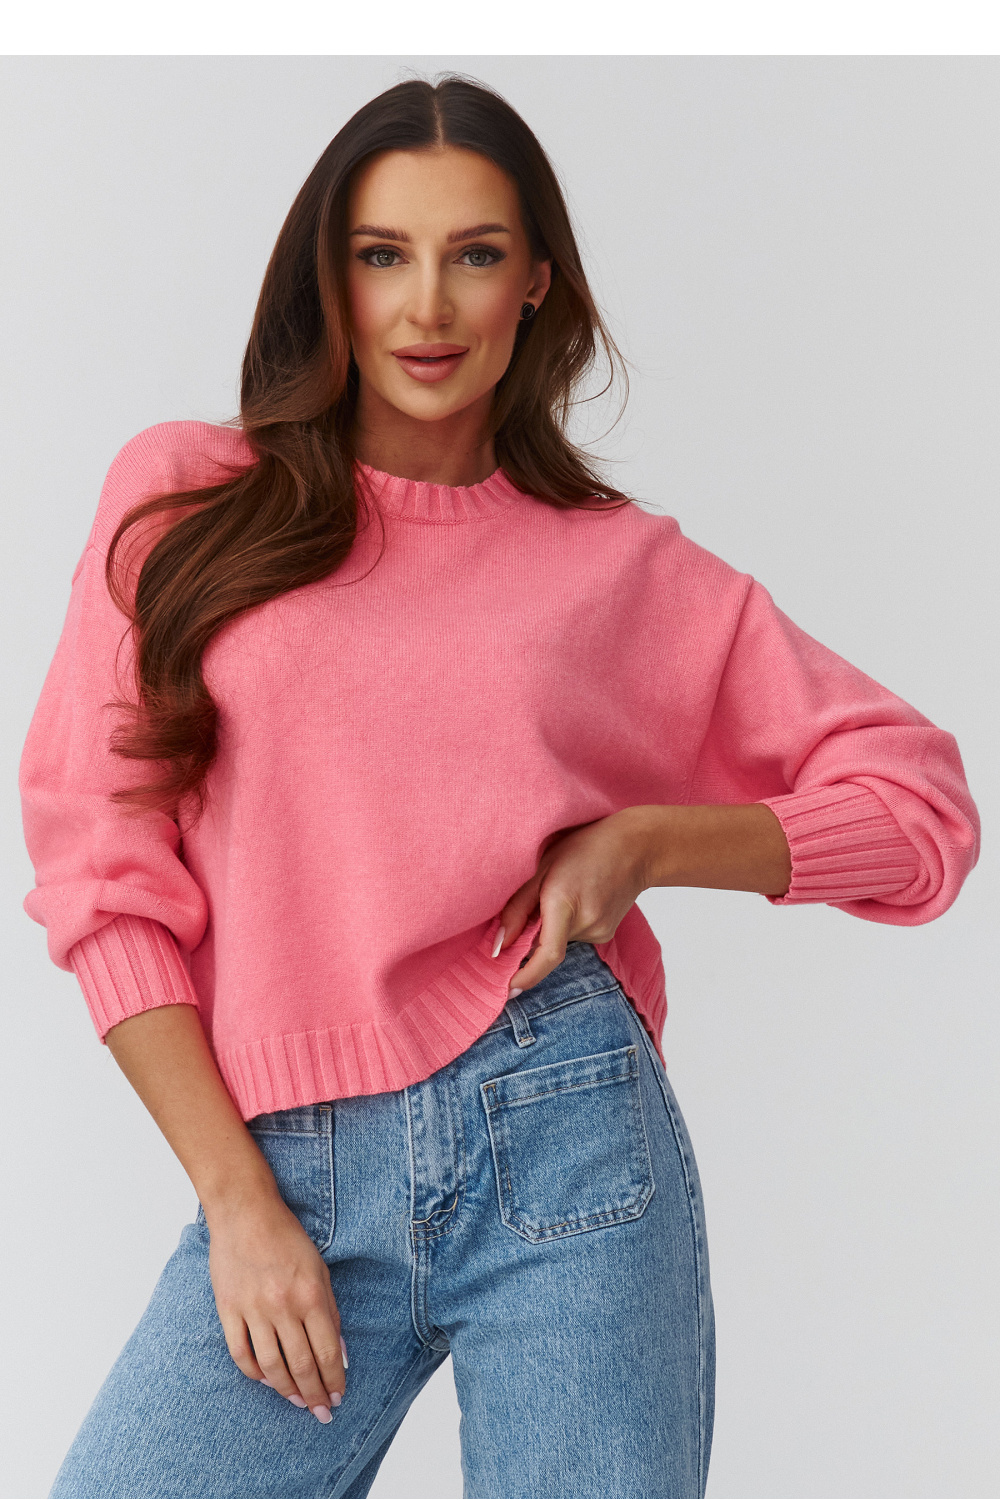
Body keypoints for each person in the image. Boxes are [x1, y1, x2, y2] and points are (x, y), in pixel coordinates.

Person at [20, 75, 978, 1500]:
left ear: (534, 281)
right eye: (382, 254)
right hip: (282, 1169)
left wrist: (648, 843)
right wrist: (235, 1200)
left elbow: (922, 811)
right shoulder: (186, 500)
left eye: (474, 254)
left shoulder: (617, 569)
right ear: (328, 276)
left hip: (565, 1136)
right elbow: (99, 866)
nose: (428, 307)